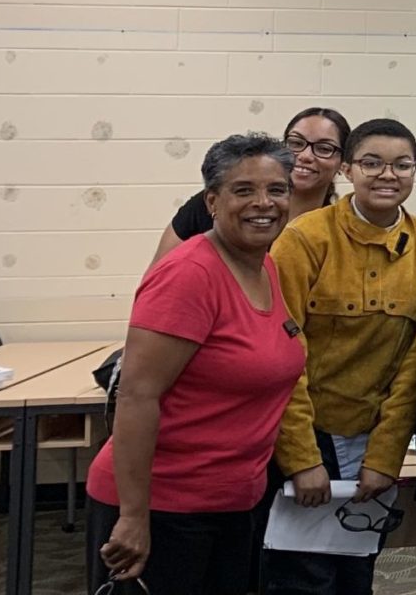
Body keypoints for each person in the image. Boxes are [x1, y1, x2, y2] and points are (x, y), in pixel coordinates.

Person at [88, 134, 306, 593]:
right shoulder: (189, 274)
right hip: (164, 506)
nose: (263, 203)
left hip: (229, 502)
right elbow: (136, 394)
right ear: (212, 200)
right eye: (243, 190)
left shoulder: (262, 265)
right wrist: (133, 516)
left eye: (276, 189)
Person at [266, 119, 416, 594]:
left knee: (356, 570)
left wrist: (387, 454)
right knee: (303, 575)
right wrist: (302, 457)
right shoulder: (304, 238)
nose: (387, 175)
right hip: (308, 432)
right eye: (371, 163)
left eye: (401, 164)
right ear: (347, 168)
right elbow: (282, 354)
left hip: (376, 434)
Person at [150, 108, 351, 266]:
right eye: (296, 143)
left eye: (324, 148)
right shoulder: (214, 205)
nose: (306, 156)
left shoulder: (341, 230)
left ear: (343, 163)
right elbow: (156, 282)